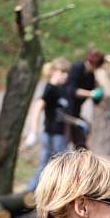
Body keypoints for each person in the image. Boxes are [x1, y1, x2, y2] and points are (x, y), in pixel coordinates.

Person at [24, 58, 72, 192]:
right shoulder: (50, 89)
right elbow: (37, 107)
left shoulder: (61, 90)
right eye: (62, 72)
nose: (65, 76)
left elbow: (61, 115)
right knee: (62, 166)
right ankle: (31, 192)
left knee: (49, 166)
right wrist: (33, 131)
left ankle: (33, 191)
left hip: (60, 135)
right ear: (53, 72)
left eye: (67, 73)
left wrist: (78, 123)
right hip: (52, 135)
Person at [62, 51, 105, 149]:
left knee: (81, 142)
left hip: (76, 111)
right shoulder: (76, 68)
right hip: (66, 110)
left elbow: (94, 98)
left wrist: (99, 100)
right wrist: (91, 94)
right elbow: (72, 90)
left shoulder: (90, 76)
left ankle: (82, 153)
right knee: (65, 140)